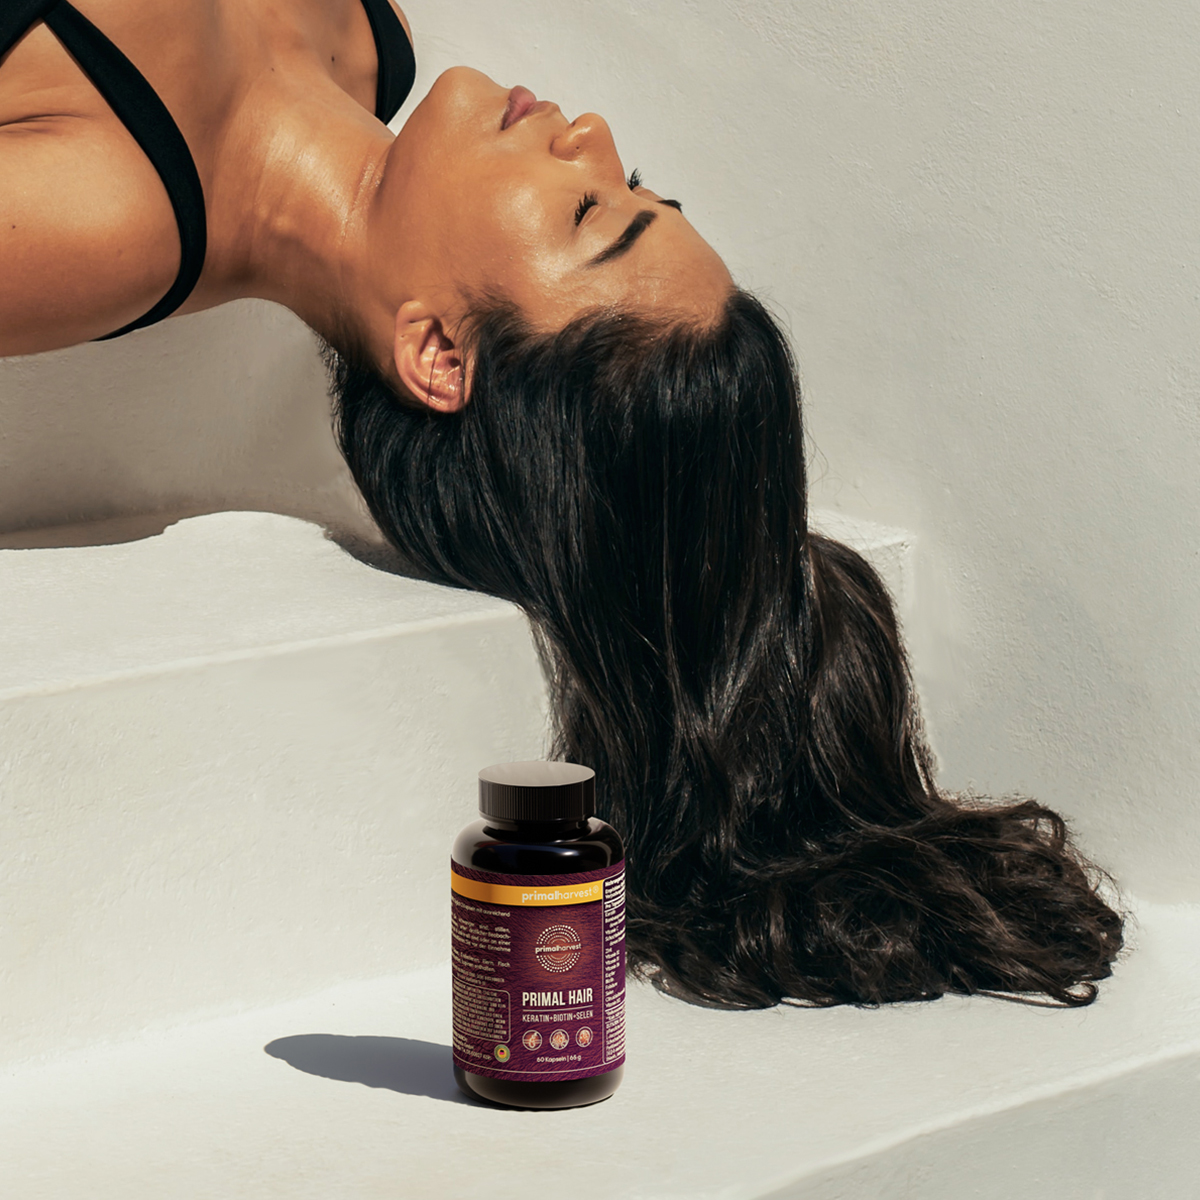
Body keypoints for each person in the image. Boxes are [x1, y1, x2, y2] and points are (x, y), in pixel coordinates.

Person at [1, 1, 1124, 1007]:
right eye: (639, 191)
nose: (592, 136)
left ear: (439, 348)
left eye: (594, 213)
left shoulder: (101, 219)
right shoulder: (356, 34)